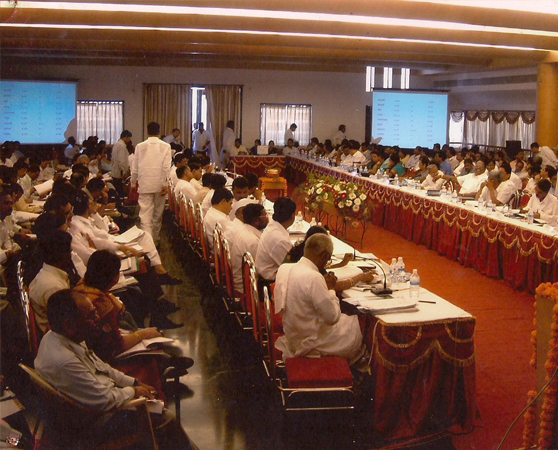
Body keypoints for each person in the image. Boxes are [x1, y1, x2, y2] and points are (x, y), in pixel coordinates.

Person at [34, 290, 198, 450]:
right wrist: (133, 391)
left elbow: (102, 367)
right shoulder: (65, 361)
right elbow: (105, 401)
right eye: (91, 316)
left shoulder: (59, 336)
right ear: (69, 325)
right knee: (167, 419)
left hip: (99, 404)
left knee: (162, 413)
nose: (97, 318)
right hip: (96, 422)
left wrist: (134, 382)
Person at [274, 234, 364, 364]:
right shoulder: (314, 277)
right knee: (357, 324)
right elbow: (332, 318)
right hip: (312, 341)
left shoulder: (284, 268)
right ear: (324, 256)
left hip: (293, 334)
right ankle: (359, 368)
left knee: (347, 320)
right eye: (328, 259)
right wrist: (331, 289)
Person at [131, 121, 172, 243]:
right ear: (159, 132)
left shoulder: (140, 146)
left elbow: (135, 168)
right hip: (160, 185)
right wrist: (165, 184)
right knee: (157, 215)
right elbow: (166, 167)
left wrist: (133, 183)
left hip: (144, 184)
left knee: (145, 216)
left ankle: (148, 243)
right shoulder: (166, 146)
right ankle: (155, 239)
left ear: (147, 131)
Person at [29, 230, 76, 333]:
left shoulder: (46, 273)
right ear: (65, 255)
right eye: (70, 251)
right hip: (58, 335)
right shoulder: (54, 287)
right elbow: (67, 325)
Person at [229, 203, 268, 293]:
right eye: (265, 215)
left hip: (242, 281)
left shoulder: (245, 230)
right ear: (256, 221)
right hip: (246, 289)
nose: (267, 218)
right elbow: (260, 271)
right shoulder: (253, 241)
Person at [255, 197, 296, 281]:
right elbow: (293, 267)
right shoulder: (279, 239)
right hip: (270, 282)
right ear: (292, 216)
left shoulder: (273, 227)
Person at [111, 130, 132, 197]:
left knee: (118, 192)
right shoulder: (122, 146)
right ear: (125, 137)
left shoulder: (116, 145)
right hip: (119, 173)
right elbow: (121, 161)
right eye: (129, 138)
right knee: (121, 193)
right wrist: (124, 172)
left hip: (114, 172)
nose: (129, 140)